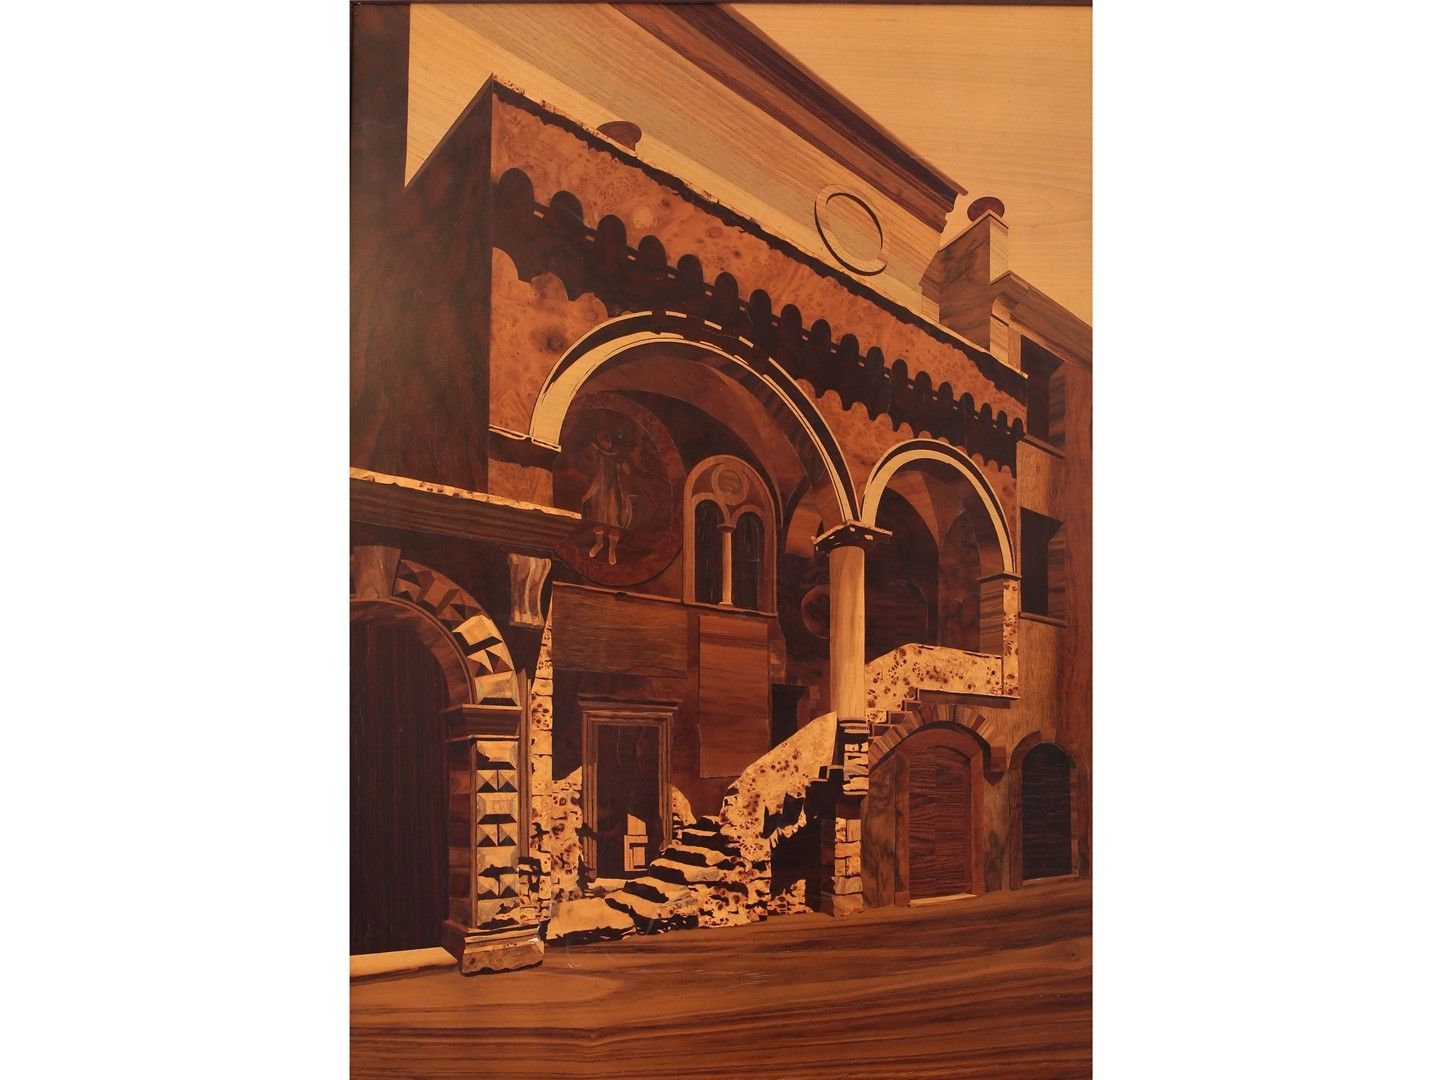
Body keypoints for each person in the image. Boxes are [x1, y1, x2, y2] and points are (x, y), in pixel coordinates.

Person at [581, 429, 634, 565]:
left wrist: (626, 472)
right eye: (602, 441)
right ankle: (599, 544)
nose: (605, 443)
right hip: (601, 485)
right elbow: (588, 459)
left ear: (610, 441)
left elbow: (628, 472)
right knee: (600, 517)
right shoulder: (598, 452)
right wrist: (593, 450)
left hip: (614, 487)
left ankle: (612, 549)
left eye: (606, 441)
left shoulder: (618, 455)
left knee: (614, 519)